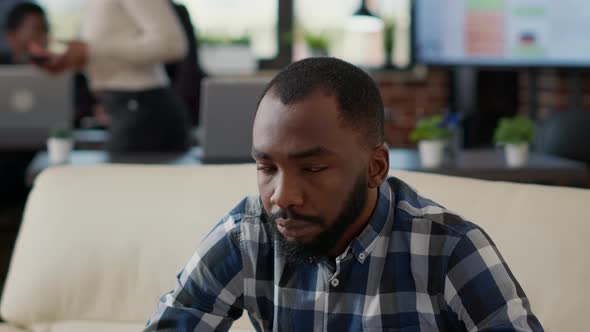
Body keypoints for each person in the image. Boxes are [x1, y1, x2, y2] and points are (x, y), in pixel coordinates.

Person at [144, 58, 543, 331]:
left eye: (313, 169)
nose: (282, 197)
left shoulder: (450, 250)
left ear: (376, 167)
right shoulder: (248, 236)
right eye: (267, 168)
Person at [30, 0, 191, 152]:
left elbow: (172, 43)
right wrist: (70, 60)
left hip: (144, 111)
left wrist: (91, 50)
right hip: (123, 108)